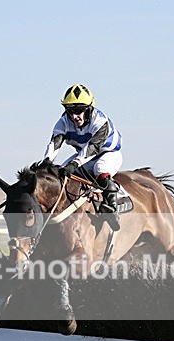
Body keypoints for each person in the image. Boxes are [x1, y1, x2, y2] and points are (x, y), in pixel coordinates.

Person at [41, 83, 122, 230]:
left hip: (108, 154)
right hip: (85, 155)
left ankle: (112, 210)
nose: (74, 116)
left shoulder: (100, 121)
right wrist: (46, 162)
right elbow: (55, 143)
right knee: (61, 173)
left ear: (89, 108)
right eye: (70, 111)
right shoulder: (64, 121)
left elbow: (93, 147)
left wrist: (76, 162)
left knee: (100, 168)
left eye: (79, 110)